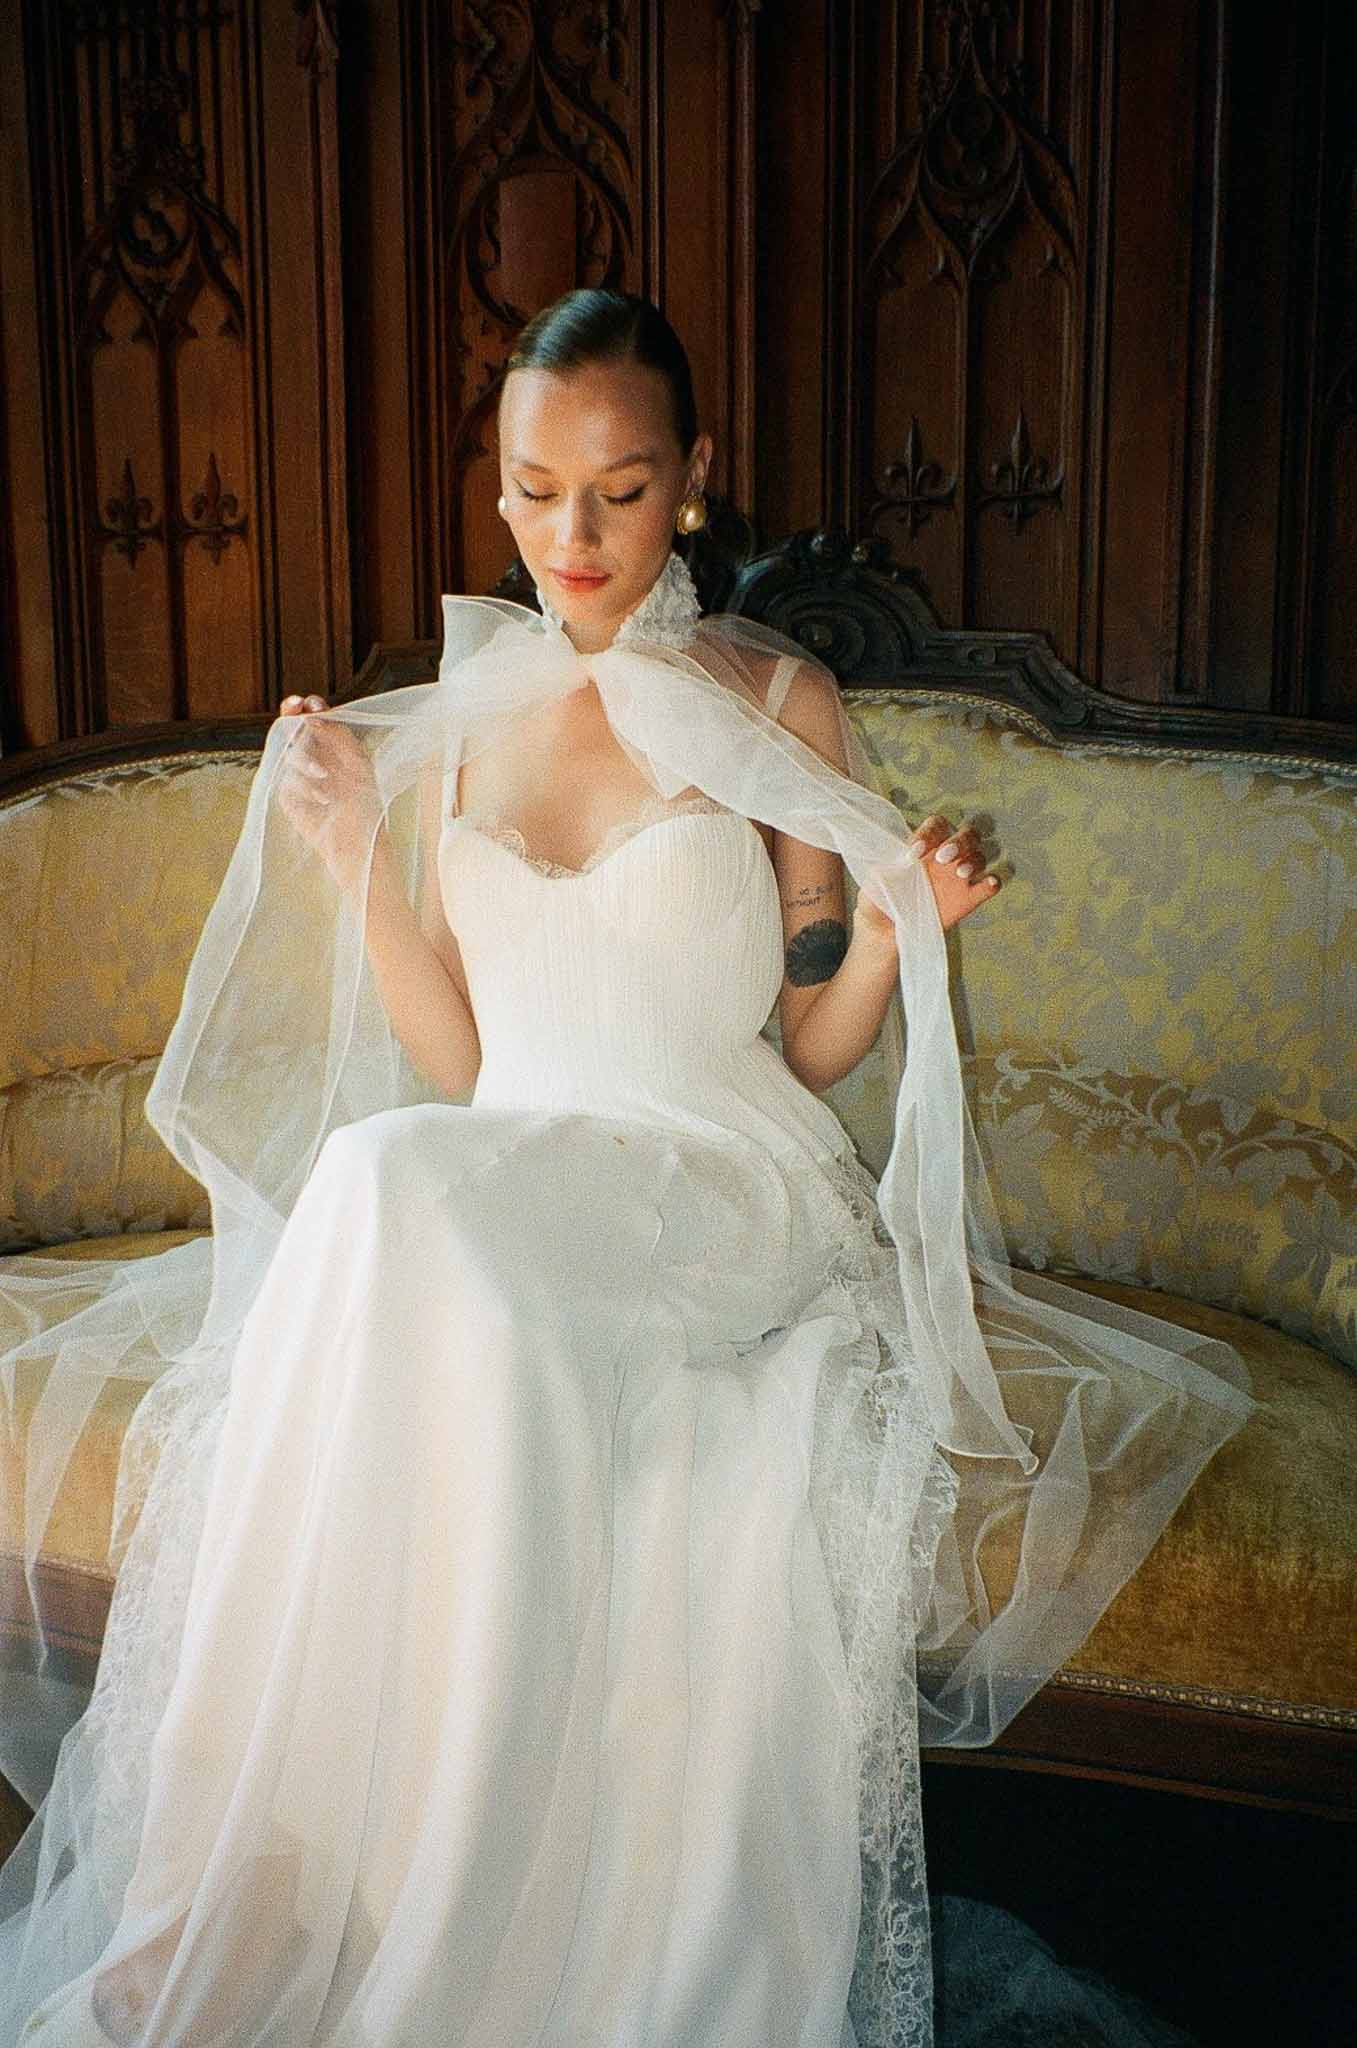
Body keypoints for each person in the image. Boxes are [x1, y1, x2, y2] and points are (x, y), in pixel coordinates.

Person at [0, 291, 1253, 2048]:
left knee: (388, 1192)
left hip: (715, 1177)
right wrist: (356, 853)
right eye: (533, 491)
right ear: (498, 489)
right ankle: (242, 1904)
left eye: (620, 488)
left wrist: (893, 930)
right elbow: (465, 1064)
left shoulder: (774, 698)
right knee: (390, 1187)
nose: (571, 536)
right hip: (506, 1171)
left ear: (694, 478)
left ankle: (394, 1926)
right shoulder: (470, 713)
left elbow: (807, 1048)